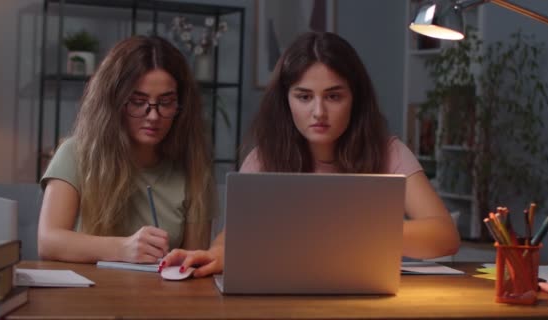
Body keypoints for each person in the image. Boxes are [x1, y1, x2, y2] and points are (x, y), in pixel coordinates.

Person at [161, 31, 460, 276]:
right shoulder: (264, 157)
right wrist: (213, 255)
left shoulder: (389, 152)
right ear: (286, 100)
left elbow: (444, 237)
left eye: (333, 96)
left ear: (355, 99)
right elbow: (235, 236)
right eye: (304, 97)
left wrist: (355, 231)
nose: (319, 112)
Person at [37, 35, 216, 263]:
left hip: (159, 297)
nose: (153, 116)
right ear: (114, 102)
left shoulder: (194, 170)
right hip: (85, 296)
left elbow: (191, 264)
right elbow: (48, 241)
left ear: (181, 105)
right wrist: (122, 249)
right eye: (138, 102)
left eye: (166, 102)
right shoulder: (75, 153)